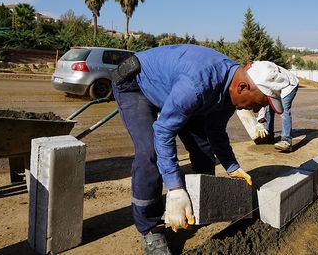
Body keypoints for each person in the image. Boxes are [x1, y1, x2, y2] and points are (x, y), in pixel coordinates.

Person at [111, 44, 289, 254]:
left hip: (174, 90)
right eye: (259, 103)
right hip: (136, 85)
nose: (257, 109)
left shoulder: (229, 91)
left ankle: (198, 204)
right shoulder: (198, 84)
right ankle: (150, 228)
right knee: (150, 153)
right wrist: (175, 189)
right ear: (242, 87)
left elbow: (215, 130)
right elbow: (163, 131)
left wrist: (232, 166)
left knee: (204, 149)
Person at [256, 65, 299, 152]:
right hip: (278, 86)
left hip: (290, 85)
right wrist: (260, 119)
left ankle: (286, 140)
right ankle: (269, 136)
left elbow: (263, 97)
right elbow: (265, 100)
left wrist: (260, 120)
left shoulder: (260, 78)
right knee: (270, 108)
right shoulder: (256, 73)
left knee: (284, 110)